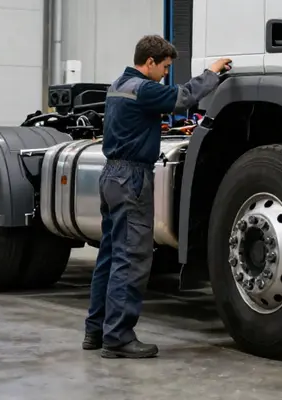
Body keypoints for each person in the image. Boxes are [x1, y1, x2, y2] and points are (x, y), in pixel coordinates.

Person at [82, 34, 232, 359]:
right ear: (149, 63)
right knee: (131, 257)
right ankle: (118, 337)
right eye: (164, 67)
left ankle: (95, 330)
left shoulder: (118, 85)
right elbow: (183, 98)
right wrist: (213, 72)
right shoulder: (145, 90)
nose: (165, 73)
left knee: (109, 256)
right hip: (132, 178)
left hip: (111, 176)